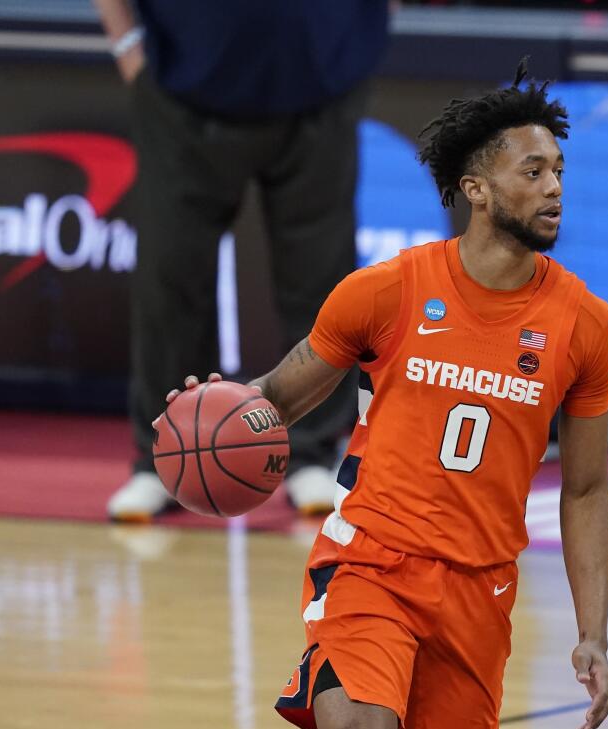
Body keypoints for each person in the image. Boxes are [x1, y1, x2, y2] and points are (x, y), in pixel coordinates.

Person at [164, 63, 608, 729]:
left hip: (479, 590)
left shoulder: (587, 326)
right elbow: (276, 399)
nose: (554, 187)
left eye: (559, 170)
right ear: (476, 189)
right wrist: (209, 413)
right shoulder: (387, 291)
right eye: (532, 171)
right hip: (372, 563)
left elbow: (588, 487)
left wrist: (592, 631)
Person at [93, 0, 390, 520]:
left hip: (323, 83)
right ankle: (161, 459)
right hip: (182, 89)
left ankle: (313, 454)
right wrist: (125, 45)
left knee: (321, 280)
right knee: (170, 275)